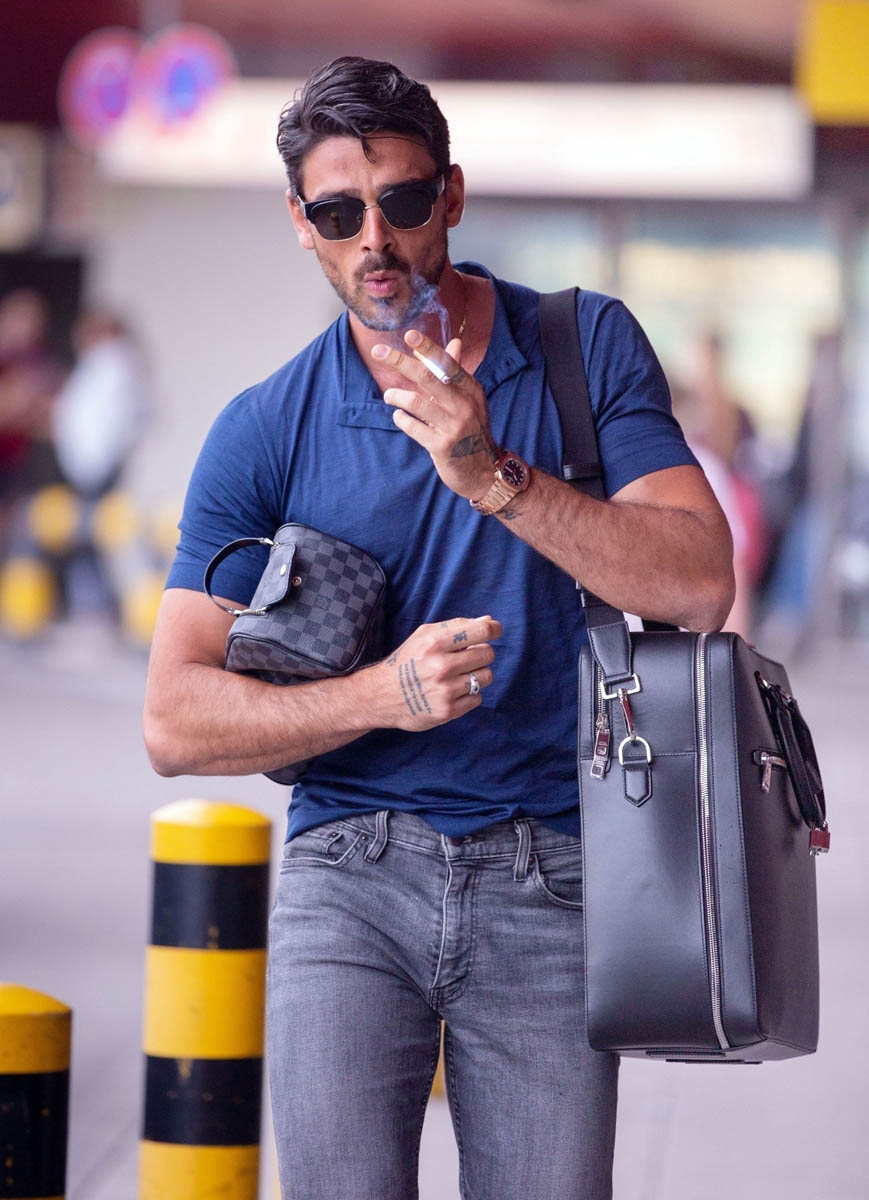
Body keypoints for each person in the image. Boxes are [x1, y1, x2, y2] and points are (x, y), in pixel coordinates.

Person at [144, 56, 734, 1200]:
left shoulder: (578, 347)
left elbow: (699, 584)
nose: (374, 238)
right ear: (301, 224)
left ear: (450, 196)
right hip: (347, 878)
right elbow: (173, 717)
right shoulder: (267, 427)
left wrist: (491, 474)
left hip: (552, 871)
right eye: (337, 213)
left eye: (402, 201)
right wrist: (381, 695)